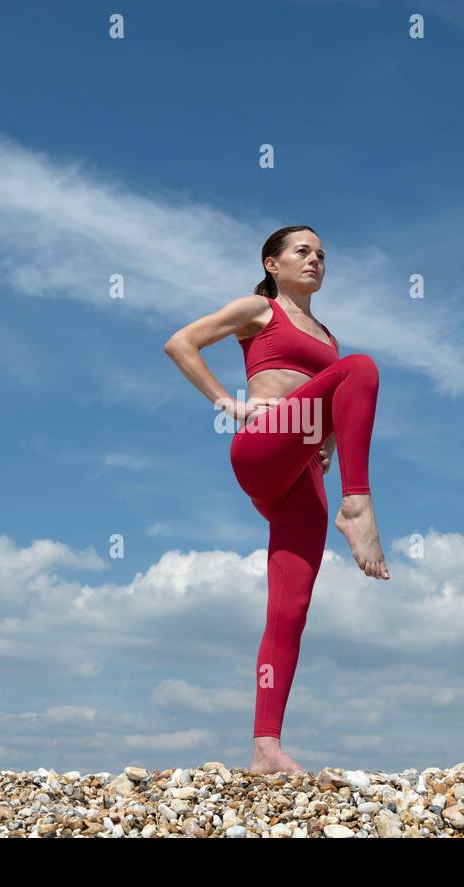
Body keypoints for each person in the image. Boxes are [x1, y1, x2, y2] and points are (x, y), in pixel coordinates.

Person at [163, 226, 388, 776]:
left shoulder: (328, 337)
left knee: (290, 609)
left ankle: (265, 747)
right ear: (272, 263)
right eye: (302, 251)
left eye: (321, 255)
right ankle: (357, 505)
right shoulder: (259, 310)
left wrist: (325, 444)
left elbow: (334, 406)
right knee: (362, 367)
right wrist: (230, 404)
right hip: (262, 447)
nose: (315, 260)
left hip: (303, 471)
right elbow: (181, 343)